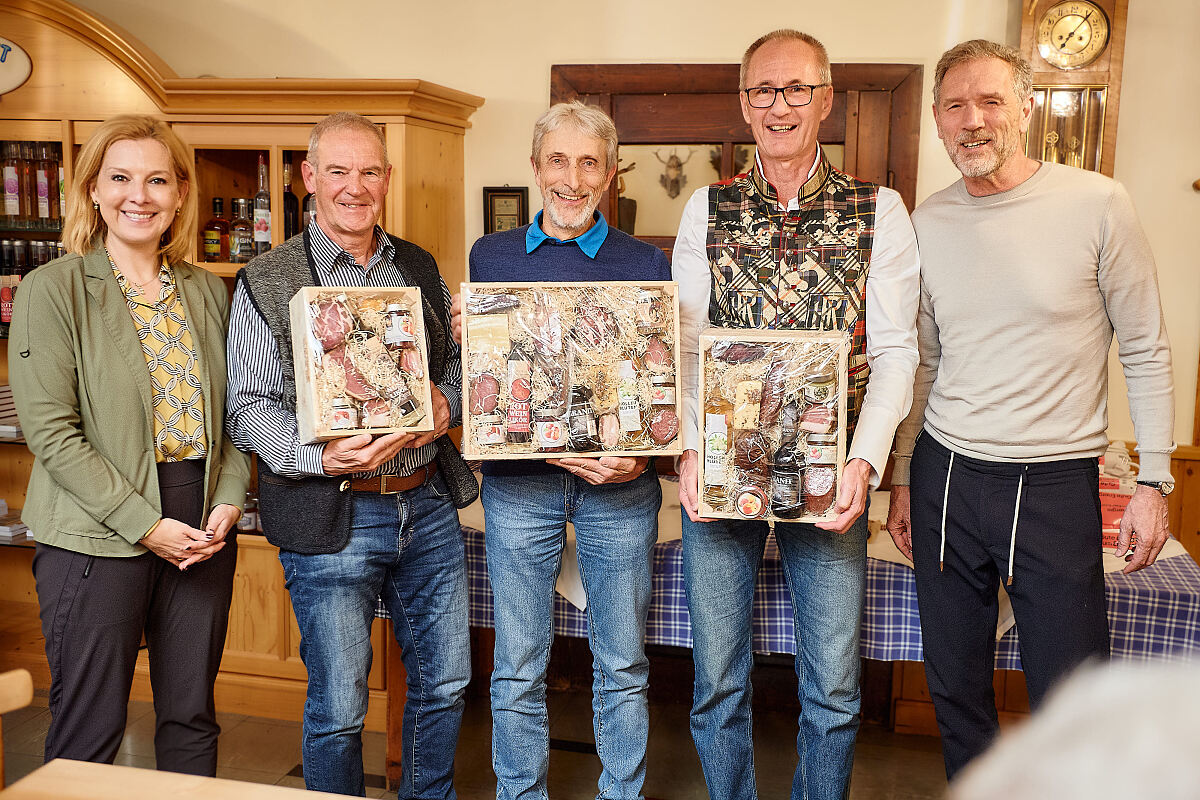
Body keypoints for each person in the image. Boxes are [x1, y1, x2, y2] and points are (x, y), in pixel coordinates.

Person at [885, 40, 1175, 780]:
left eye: (989, 101)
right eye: (955, 105)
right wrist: (902, 476)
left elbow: (1145, 346)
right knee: (954, 686)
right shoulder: (928, 221)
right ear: (939, 120)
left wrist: (1154, 480)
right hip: (946, 475)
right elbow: (924, 363)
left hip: (1052, 487)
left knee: (1074, 696)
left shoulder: (1099, 203)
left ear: (1027, 107)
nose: (972, 120)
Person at [672, 29, 920, 800]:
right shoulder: (705, 209)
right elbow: (681, 350)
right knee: (716, 682)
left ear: (826, 100)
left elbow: (897, 354)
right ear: (745, 104)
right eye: (763, 91)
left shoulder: (878, 210)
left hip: (828, 479)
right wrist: (685, 451)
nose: (779, 106)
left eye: (796, 90)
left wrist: (864, 462)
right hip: (721, 473)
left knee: (835, 690)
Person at [225, 111, 478, 798]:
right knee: (339, 710)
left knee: (447, 684)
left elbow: (459, 369)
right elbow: (248, 406)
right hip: (333, 510)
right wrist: (318, 458)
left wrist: (447, 404)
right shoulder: (267, 279)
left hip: (425, 504)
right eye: (338, 170)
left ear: (387, 179)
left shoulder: (418, 266)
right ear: (310, 177)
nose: (354, 187)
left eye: (369, 171)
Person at [9, 114, 249, 775]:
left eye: (156, 180)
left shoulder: (207, 292)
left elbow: (233, 414)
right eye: (119, 178)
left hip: (200, 521)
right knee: (91, 726)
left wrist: (228, 498)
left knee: (191, 716)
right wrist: (147, 526)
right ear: (92, 189)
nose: (137, 196)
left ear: (178, 194)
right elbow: (52, 433)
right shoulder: (52, 290)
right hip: (95, 528)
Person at [450, 101, 669, 800]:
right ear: (536, 168)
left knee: (623, 665)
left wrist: (643, 457)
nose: (571, 179)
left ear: (610, 174)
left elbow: (660, 383)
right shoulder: (493, 255)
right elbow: (485, 377)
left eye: (589, 163)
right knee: (517, 665)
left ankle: (621, 795)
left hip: (619, 488)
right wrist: (468, 335)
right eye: (558, 161)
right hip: (520, 487)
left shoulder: (645, 261)